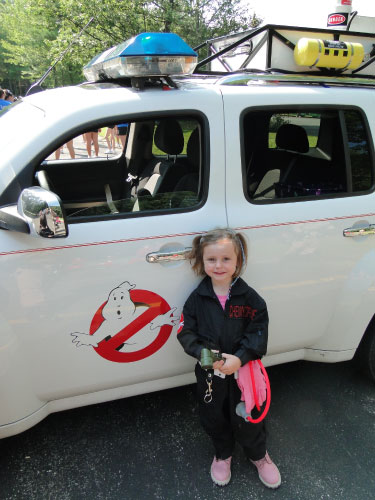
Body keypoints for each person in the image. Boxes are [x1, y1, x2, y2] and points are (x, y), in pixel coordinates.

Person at [178, 228, 281, 489]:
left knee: (249, 412)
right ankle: (223, 453)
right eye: (212, 259)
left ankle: (258, 455)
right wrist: (208, 357)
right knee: (214, 414)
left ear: (238, 261)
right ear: (202, 262)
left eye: (226, 259)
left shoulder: (250, 299)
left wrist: (240, 357)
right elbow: (185, 332)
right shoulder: (196, 300)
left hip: (244, 371)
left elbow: (258, 331)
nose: (219, 265)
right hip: (211, 374)